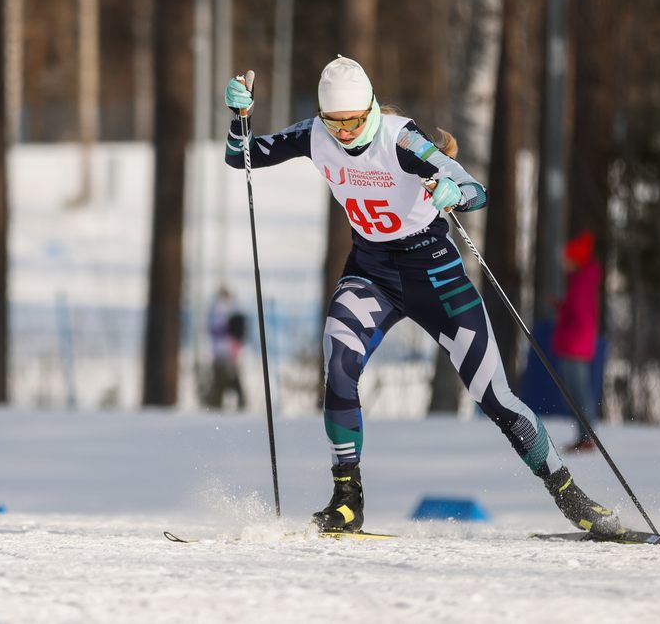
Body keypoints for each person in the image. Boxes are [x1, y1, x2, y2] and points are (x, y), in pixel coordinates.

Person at [223, 56, 621, 536]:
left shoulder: (402, 139)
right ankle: (347, 500)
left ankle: (569, 493)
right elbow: (243, 154)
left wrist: (454, 191)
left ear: (369, 108)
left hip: (437, 279)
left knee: (493, 394)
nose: (345, 132)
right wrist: (238, 117)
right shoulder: (316, 134)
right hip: (372, 276)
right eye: (336, 121)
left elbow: (476, 189)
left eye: (353, 120)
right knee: (339, 365)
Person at [552, 230, 602, 453]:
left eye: (567, 258)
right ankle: (584, 436)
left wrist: (566, 316)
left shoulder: (580, 284)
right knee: (576, 393)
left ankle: (587, 437)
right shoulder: (580, 281)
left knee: (578, 393)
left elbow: (581, 317)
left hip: (575, 346)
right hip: (576, 345)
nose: (563, 263)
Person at [204, 286, 247, 411]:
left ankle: (217, 405)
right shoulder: (221, 309)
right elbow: (220, 330)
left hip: (223, 352)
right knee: (227, 381)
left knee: (224, 382)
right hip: (225, 352)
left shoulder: (220, 309)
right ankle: (222, 405)